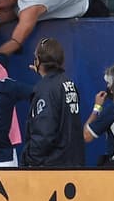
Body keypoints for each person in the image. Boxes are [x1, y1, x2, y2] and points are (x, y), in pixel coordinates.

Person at [19, 38, 84, 168]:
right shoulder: (67, 83)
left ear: (39, 60)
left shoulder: (46, 88)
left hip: (51, 167)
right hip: (72, 163)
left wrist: (30, 161)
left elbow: (44, 133)